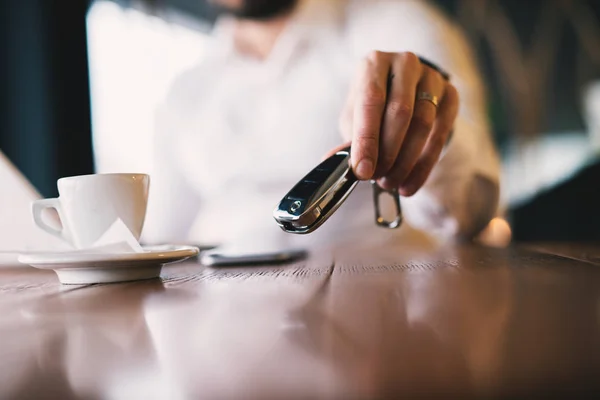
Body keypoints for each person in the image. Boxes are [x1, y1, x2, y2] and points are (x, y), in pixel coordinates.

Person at [142, 0, 501, 251]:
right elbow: (160, 237)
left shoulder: (395, 23)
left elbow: (470, 210)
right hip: (220, 324)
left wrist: (436, 136)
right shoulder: (184, 93)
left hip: (378, 317)